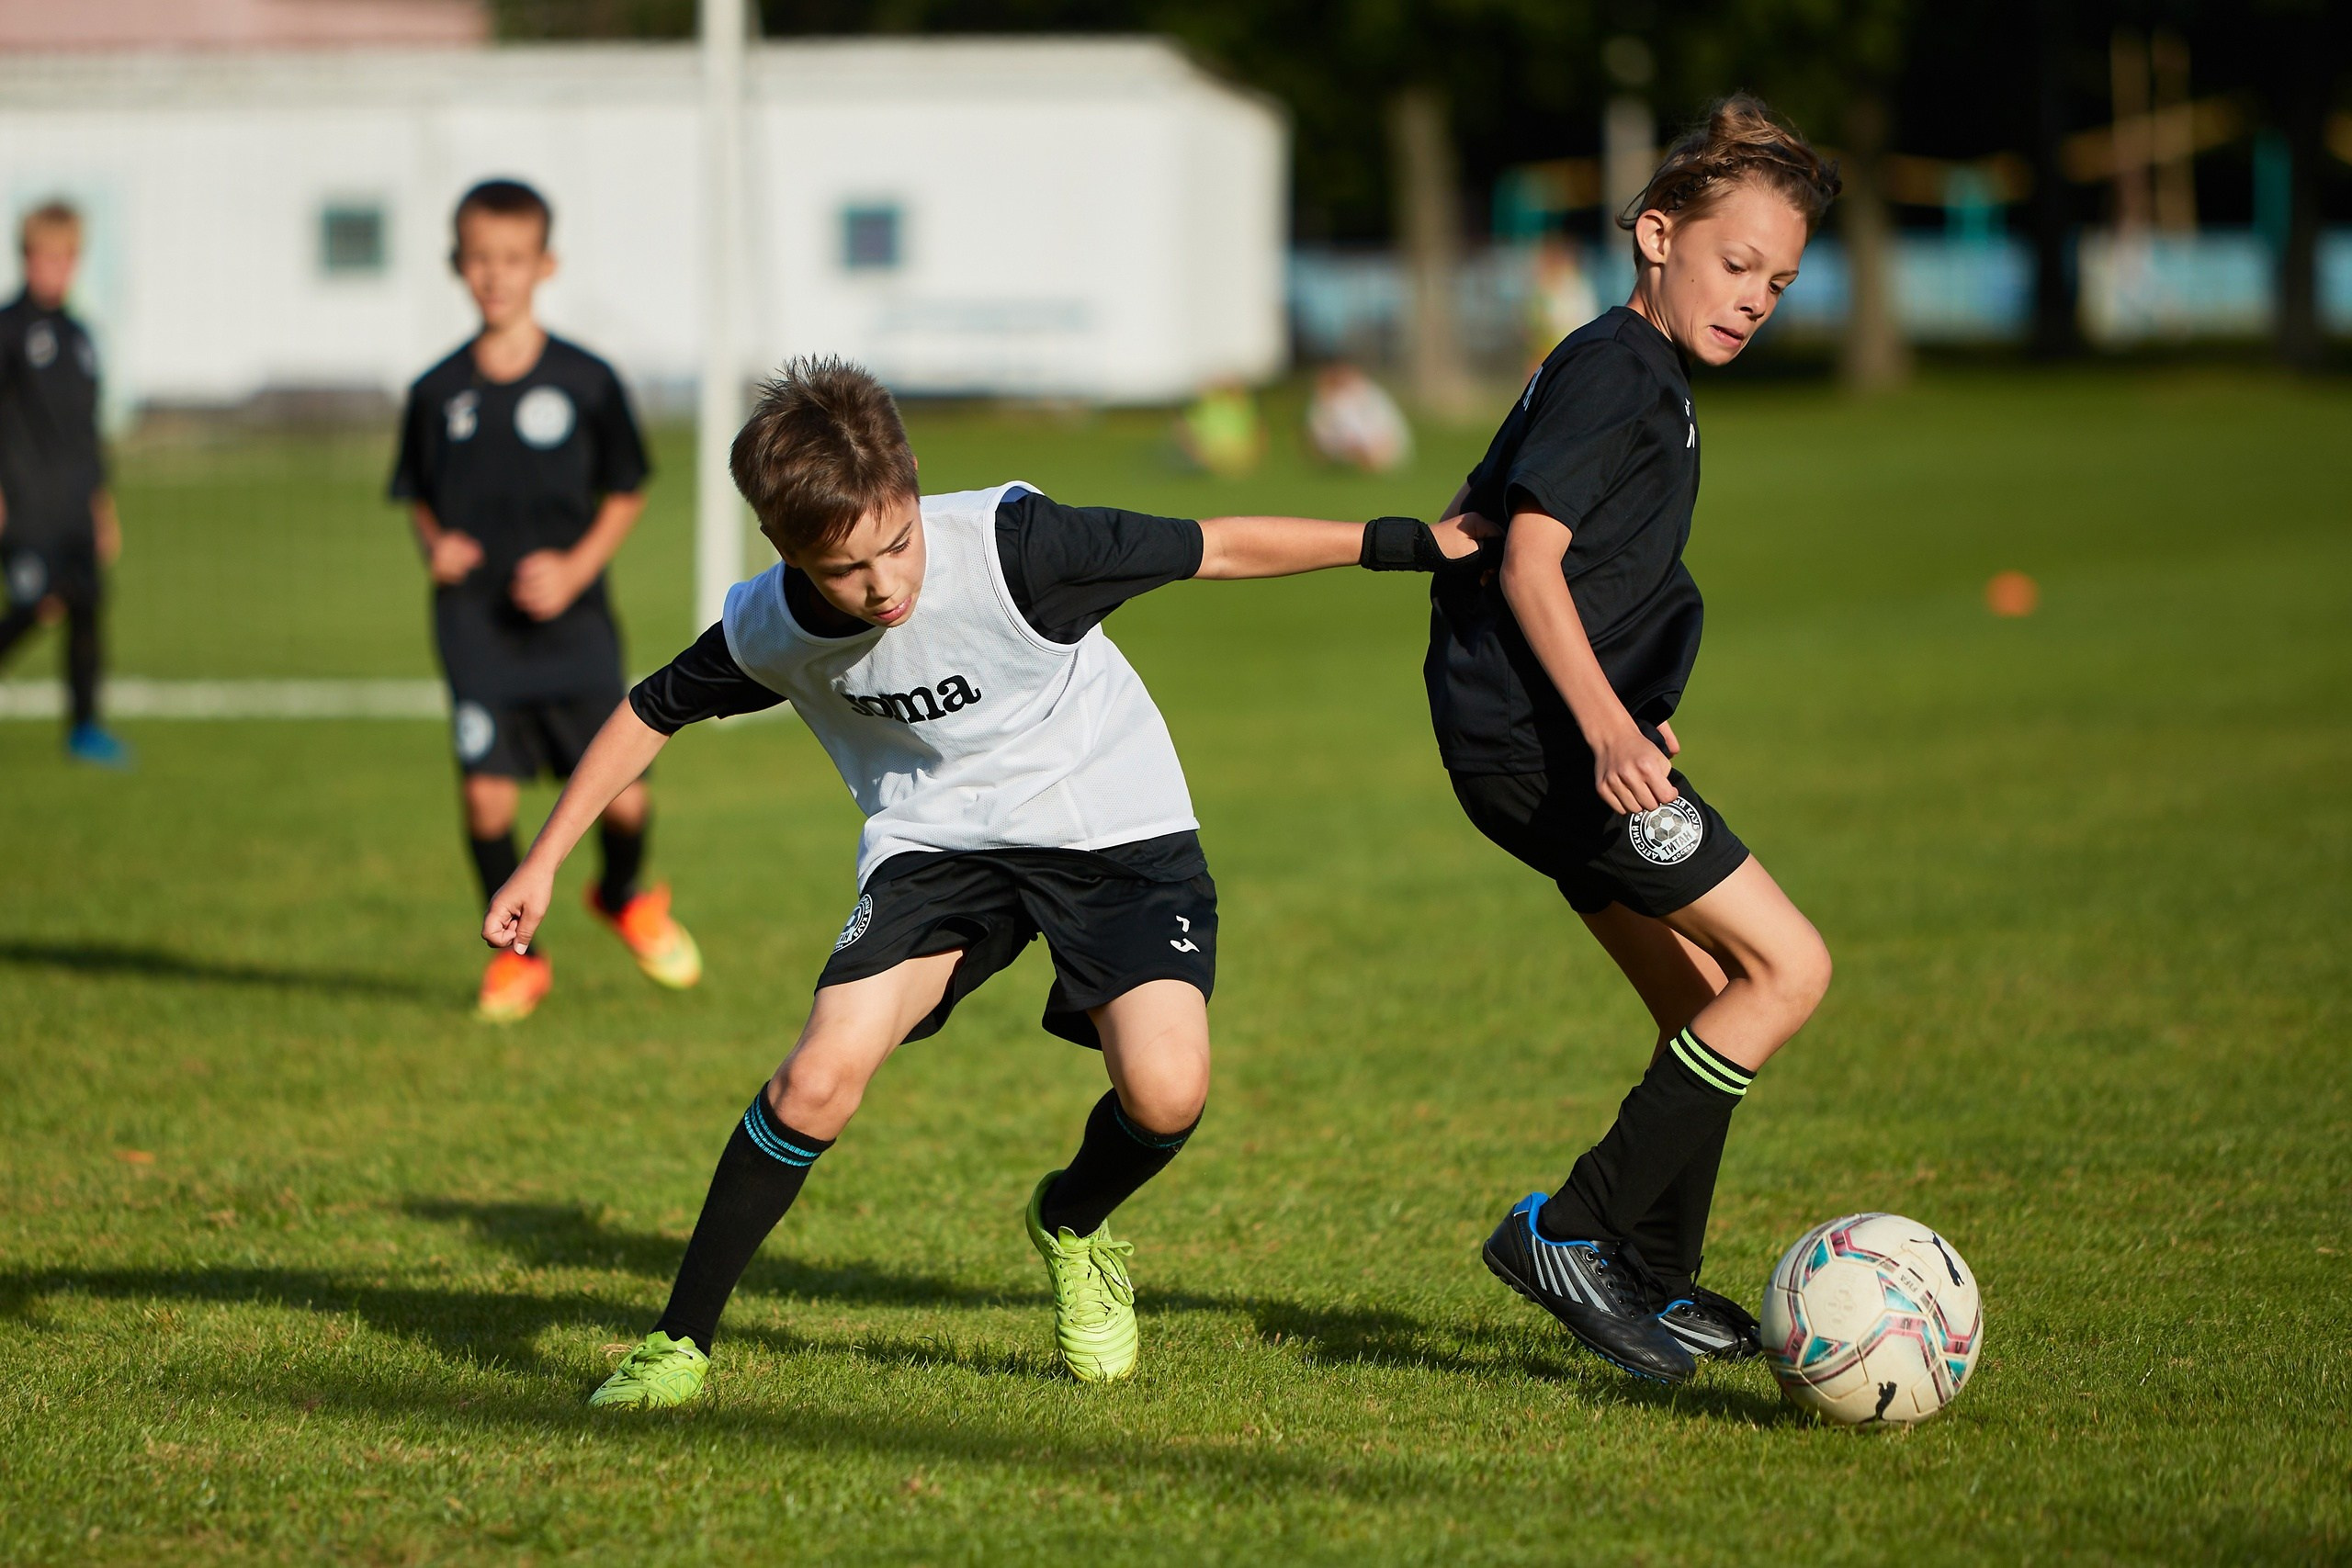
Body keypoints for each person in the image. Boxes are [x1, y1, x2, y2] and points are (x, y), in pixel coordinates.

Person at [481, 356, 1486, 1406]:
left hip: (1111, 822)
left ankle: (1071, 1224)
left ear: (911, 483)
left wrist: (1416, 544)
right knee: (817, 1076)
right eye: (843, 571)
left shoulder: (1019, 548)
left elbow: (1218, 545)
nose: (883, 586)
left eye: (897, 543)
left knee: (1166, 1089)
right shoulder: (767, 626)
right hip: (938, 845)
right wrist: (545, 860)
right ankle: (678, 1344)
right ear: (784, 551)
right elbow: (651, 709)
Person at [1428, 96, 1842, 1383]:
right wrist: (1607, 722)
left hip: (1532, 742)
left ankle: (1652, 1275)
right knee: (1789, 968)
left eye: (1776, 281)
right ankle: (1574, 1229)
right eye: (1734, 265)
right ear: (1656, 235)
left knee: (1702, 998)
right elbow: (1532, 560)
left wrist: (1622, 688)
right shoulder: (1618, 366)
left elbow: (1484, 514)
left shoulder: (1614, 362)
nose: (1754, 297)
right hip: (1554, 750)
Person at [390, 178, 701, 1023]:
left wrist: (574, 567)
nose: (495, 276)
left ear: (544, 265)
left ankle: (624, 894)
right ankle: (519, 957)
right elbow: (416, 492)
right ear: (459, 265)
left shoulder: (589, 381)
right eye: (480, 259)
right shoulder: (434, 391)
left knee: (626, 795)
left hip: (574, 623)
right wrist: (434, 545)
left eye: (513, 259)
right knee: (486, 798)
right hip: (475, 627)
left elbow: (628, 489)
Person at [0, 201, 130, 768]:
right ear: (26, 257)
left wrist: (102, 506)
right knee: (36, 603)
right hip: (26, 501)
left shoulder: (81, 337)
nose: (55, 267)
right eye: (44, 256)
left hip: (76, 502)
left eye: (65, 256)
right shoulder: (7, 330)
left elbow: (86, 431)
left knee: (87, 607)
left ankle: (85, 729)